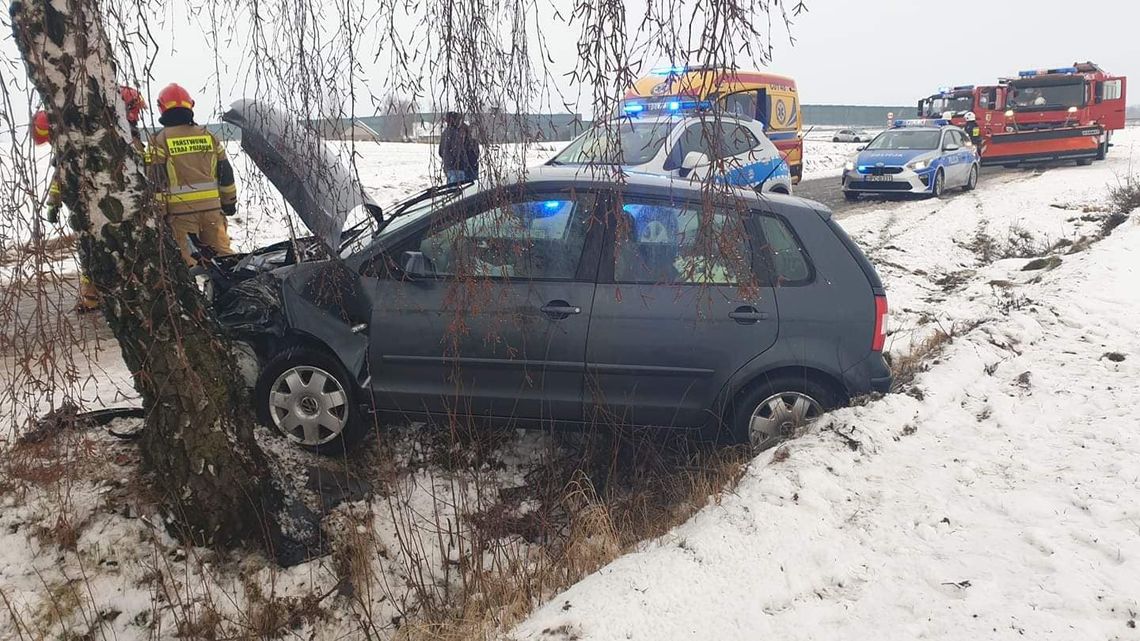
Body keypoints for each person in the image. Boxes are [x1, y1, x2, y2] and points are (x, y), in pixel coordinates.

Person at [148, 83, 237, 266]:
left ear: (162, 108)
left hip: (180, 216)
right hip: (213, 213)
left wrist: (159, 213)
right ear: (191, 105)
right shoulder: (208, 136)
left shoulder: (159, 140)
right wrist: (229, 203)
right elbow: (225, 174)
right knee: (225, 261)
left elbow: (157, 182)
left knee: (188, 265)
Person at [439, 111, 479, 183]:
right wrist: (462, 162)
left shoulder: (444, 133)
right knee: (459, 190)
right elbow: (458, 151)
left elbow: (441, 152)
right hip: (458, 168)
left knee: (451, 190)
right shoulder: (454, 134)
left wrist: (447, 160)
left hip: (449, 168)